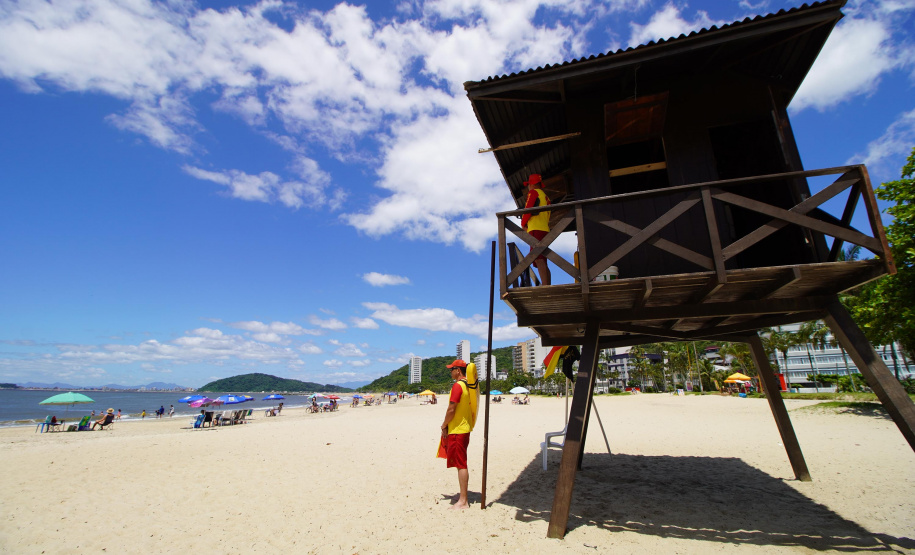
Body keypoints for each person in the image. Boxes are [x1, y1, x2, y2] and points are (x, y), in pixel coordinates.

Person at [440, 359, 472, 510]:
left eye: (451, 369)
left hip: (458, 430)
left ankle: (463, 501)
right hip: (464, 429)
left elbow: (451, 409)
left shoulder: (458, 386)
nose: (450, 372)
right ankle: (463, 498)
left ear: (458, 371)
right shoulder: (468, 385)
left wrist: (444, 425)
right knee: (461, 463)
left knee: (461, 464)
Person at [520, 173, 551, 285]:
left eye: (528, 184)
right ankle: (547, 284)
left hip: (535, 228)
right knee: (542, 258)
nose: (528, 187)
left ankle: (545, 285)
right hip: (545, 228)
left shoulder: (533, 193)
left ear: (532, 184)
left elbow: (528, 209)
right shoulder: (546, 197)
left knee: (538, 258)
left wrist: (523, 223)